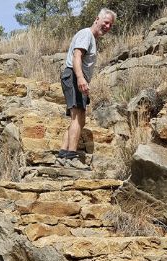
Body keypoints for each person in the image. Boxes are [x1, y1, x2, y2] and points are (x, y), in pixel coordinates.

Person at [56, 8, 116, 169]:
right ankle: (71, 157)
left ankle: (63, 154)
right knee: (77, 116)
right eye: (106, 22)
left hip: (77, 77)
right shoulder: (86, 34)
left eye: (111, 25)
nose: (108, 26)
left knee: (79, 118)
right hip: (74, 76)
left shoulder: (92, 38)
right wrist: (81, 78)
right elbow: (77, 56)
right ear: (97, 19)